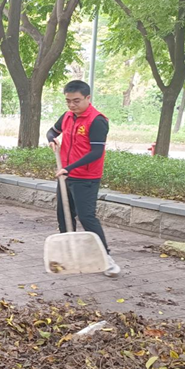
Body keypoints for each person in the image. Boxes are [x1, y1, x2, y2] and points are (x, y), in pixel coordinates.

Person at [47, 80, 120, 278]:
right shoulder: (68, 116)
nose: (72, 105)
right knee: (64, 215)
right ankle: (68, 254)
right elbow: (52, 131)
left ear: (88, 98)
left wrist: (68, 168)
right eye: (68, 101)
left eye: (76, 101)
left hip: (86, 177)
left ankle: (106, 258)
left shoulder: (97, 121)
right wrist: (51, 139)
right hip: (66, 175)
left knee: (87, 217)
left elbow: (96, 152)